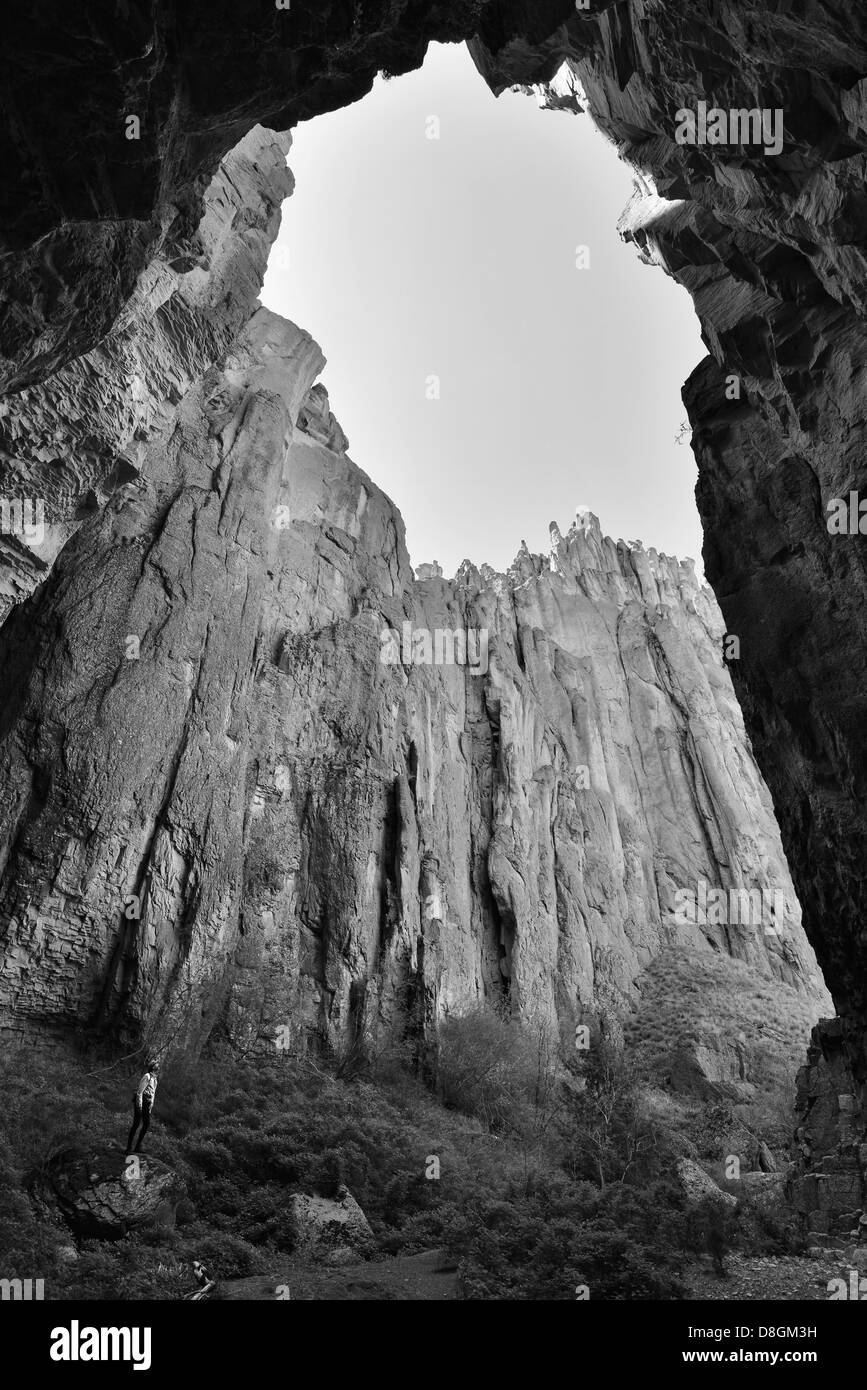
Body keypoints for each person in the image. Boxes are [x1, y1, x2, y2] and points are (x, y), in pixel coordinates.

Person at [126, 1061, 159, 1154]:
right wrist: (139, 1105)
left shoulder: (155, 1080)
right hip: (141, 1101)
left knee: (146, 1124)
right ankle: (128, 1148)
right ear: (152, 1068)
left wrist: (150, 1107)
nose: (158, 1069)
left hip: (147, 1104)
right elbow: (140, 1092)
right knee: (136, 1124)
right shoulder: (147, 1076)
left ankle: (137, 1147)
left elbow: (153, 1095)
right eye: (156, 1067)